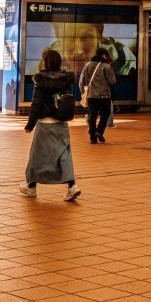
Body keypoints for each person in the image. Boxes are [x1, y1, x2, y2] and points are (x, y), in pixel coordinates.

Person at [20, 49, 80, 202]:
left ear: (46, 62)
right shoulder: (66, 79)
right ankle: (72, 186)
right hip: (61, 122)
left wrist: (30, 124)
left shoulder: (41, 79)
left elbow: (37, 104)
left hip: (44, 123)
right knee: (64, 154)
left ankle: (31, 186)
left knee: (37, 155)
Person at [81, 47, 116, 144]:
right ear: (103, 56)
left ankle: (92, 137)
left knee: (92, 116)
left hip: (91, 96)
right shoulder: (106, 66)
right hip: (104, 96)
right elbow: (112, 81)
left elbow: (81, 81)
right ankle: (99, 131)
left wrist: (83, 93)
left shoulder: (87, 65)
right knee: (104, 114)